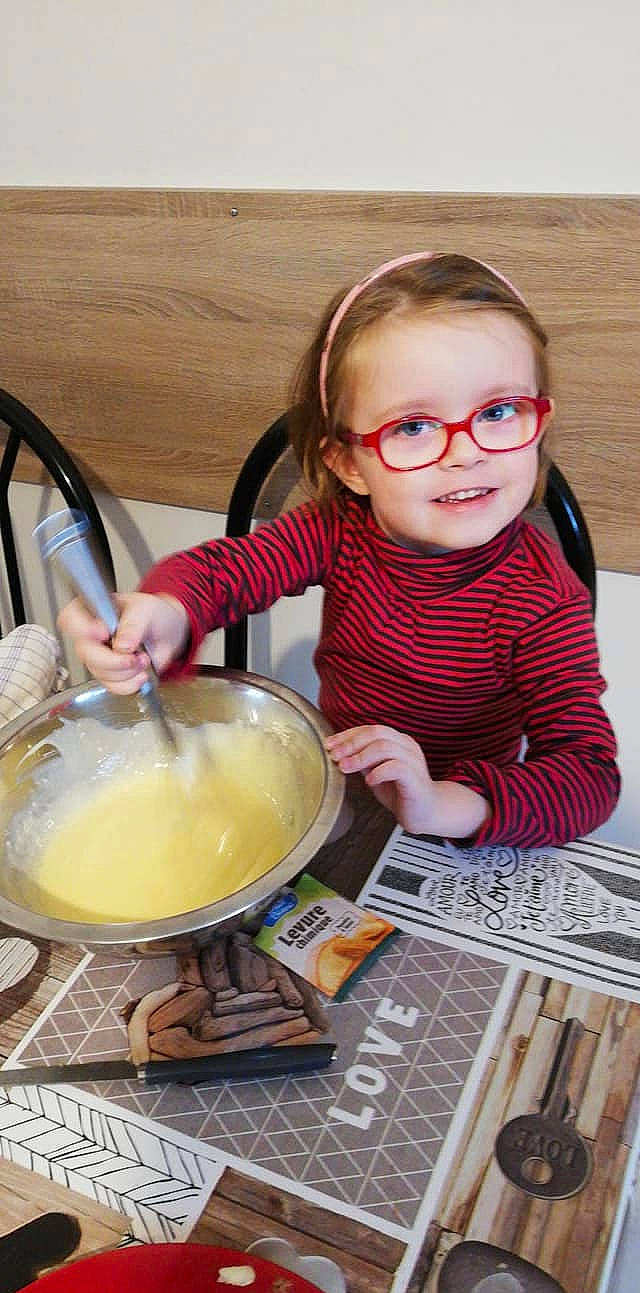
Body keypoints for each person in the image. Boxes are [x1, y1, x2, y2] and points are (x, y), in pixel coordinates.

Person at [59, 251, 620, 848]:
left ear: (541, 418)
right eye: (413, 426)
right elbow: (227, 572)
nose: (466, 453)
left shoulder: (544, 599)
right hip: (342, 790)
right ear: (350, 463)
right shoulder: (338, 528)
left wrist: (440, 804)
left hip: (460, 825)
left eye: (500, 411)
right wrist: (164, 613)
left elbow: (587, 776)